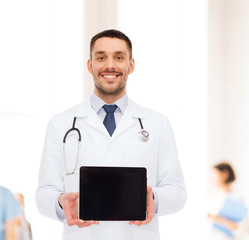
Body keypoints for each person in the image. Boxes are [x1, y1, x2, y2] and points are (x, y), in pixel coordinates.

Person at [35, 29, 187, 240]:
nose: (110, 65)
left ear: (130, 65)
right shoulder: (60, 124)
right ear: (90, 66)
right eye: (101, 57)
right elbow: (44, 194)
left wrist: (153, 198)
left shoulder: (158, 124)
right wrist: (62, 203)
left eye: (119, 57)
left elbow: (178, 192)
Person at [207, 162, 249, 240]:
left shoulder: (236, 198)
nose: (211, 179)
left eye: (214, 175)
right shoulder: (211, 197)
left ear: (225, 174)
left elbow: (245, 229)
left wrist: (220, 219)